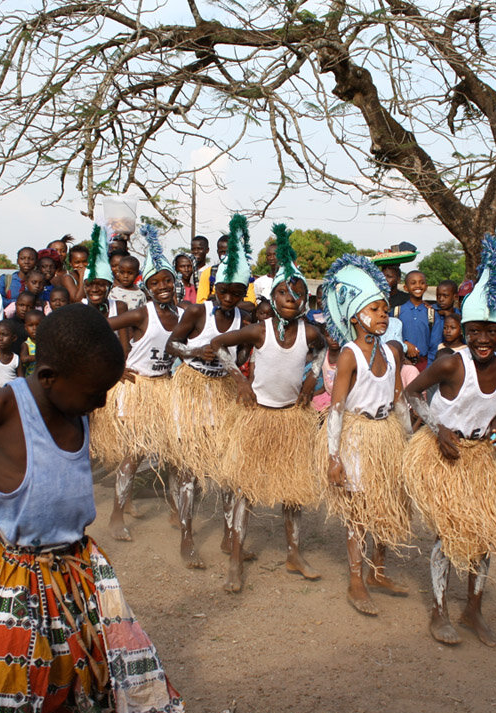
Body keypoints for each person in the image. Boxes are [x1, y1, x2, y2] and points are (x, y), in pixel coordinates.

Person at [0, 298, 183, 713]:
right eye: (96, 392)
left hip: (78, 566)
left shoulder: (77, 403)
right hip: (16, 571)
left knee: (108, 679)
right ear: (51, 377)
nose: (101, 401)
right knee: (21, 698)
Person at [403, 245, 496, 647]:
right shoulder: (450, 363)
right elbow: (411, 394)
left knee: (484, 535)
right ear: (465, 328)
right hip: (441, 457)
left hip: (478, 458)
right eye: (474, 331)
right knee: (447, 535)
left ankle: (473, 609)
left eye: (492, 332)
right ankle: (439, 612)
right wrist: (438, 428)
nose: (482, 339)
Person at [206, 224, 326, 592]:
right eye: (283, 291)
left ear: (305, 301)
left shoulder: (309, 332)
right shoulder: (260, 329)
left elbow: (322, 351)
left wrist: (311, 378)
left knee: (293, 492)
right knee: (245, 489)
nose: (291, 297)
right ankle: (235, 561)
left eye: (298, 293)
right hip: (257, 419)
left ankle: (294, 552)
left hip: (291, 419)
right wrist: (240, 380)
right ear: (272, 298)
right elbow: (217, 342)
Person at [321, 253, 411, 616]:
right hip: (357, 439)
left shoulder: (391, 351)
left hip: (386, 435)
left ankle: (378, 570)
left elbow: (399, 400)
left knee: (385, 506)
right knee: (358, 512)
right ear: (357, 317)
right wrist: (333, 456)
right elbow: (337, 408)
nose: (383, 315)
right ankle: (356, 579)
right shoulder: (348, 355)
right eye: (375, 309)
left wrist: (408, 441)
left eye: (385, 309)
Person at [165, 216, 253, 568]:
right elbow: (172, 345)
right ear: (214, 288)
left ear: (242, 292)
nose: (229, 297)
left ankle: (230, 536)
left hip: (222, 392)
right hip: (192, 388)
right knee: (189, 467)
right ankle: (186, 536)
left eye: (236, 292)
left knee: (229, 469)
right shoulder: (197, 312)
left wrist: (240, 357)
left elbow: (243, 356)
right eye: (224, 291)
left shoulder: (242, 322)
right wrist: (193, 352)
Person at [99, 225, 182, 543]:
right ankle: (116, 515)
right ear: (146, 288)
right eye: (155, 283)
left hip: (165, 389)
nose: (162, 287)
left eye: (167, 281)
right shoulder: (140, 314)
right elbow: (100, 328)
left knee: (175, 454)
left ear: (175, 283)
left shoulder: (182, 313)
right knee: (134, 454)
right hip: (137, 389)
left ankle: (177, 510)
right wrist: (114, 366)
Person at [394, 270, 442, 373]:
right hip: (401, 363)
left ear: (426, 286)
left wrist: (429, 369)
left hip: (424, 365)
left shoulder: (432, 314)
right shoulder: (396, 312)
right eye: (413, 283)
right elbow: (389, 338)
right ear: (406, 288)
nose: (418, 286)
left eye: (422, 282)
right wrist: (405, 344)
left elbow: (435, 345)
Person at [0, 319, 23, 387]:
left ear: (14, 338)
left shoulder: (16, 359)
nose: (0, 338)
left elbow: (21, 381)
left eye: (4, 335)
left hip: (10, 393)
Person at [20, 309, 43, 377]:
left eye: (38, 325)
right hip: (31, 379)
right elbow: (24, 359)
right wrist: (42, 357)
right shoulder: (26, 344)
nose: (34, 328)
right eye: (31, 325)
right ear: (26, 327)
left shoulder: (47, 343)